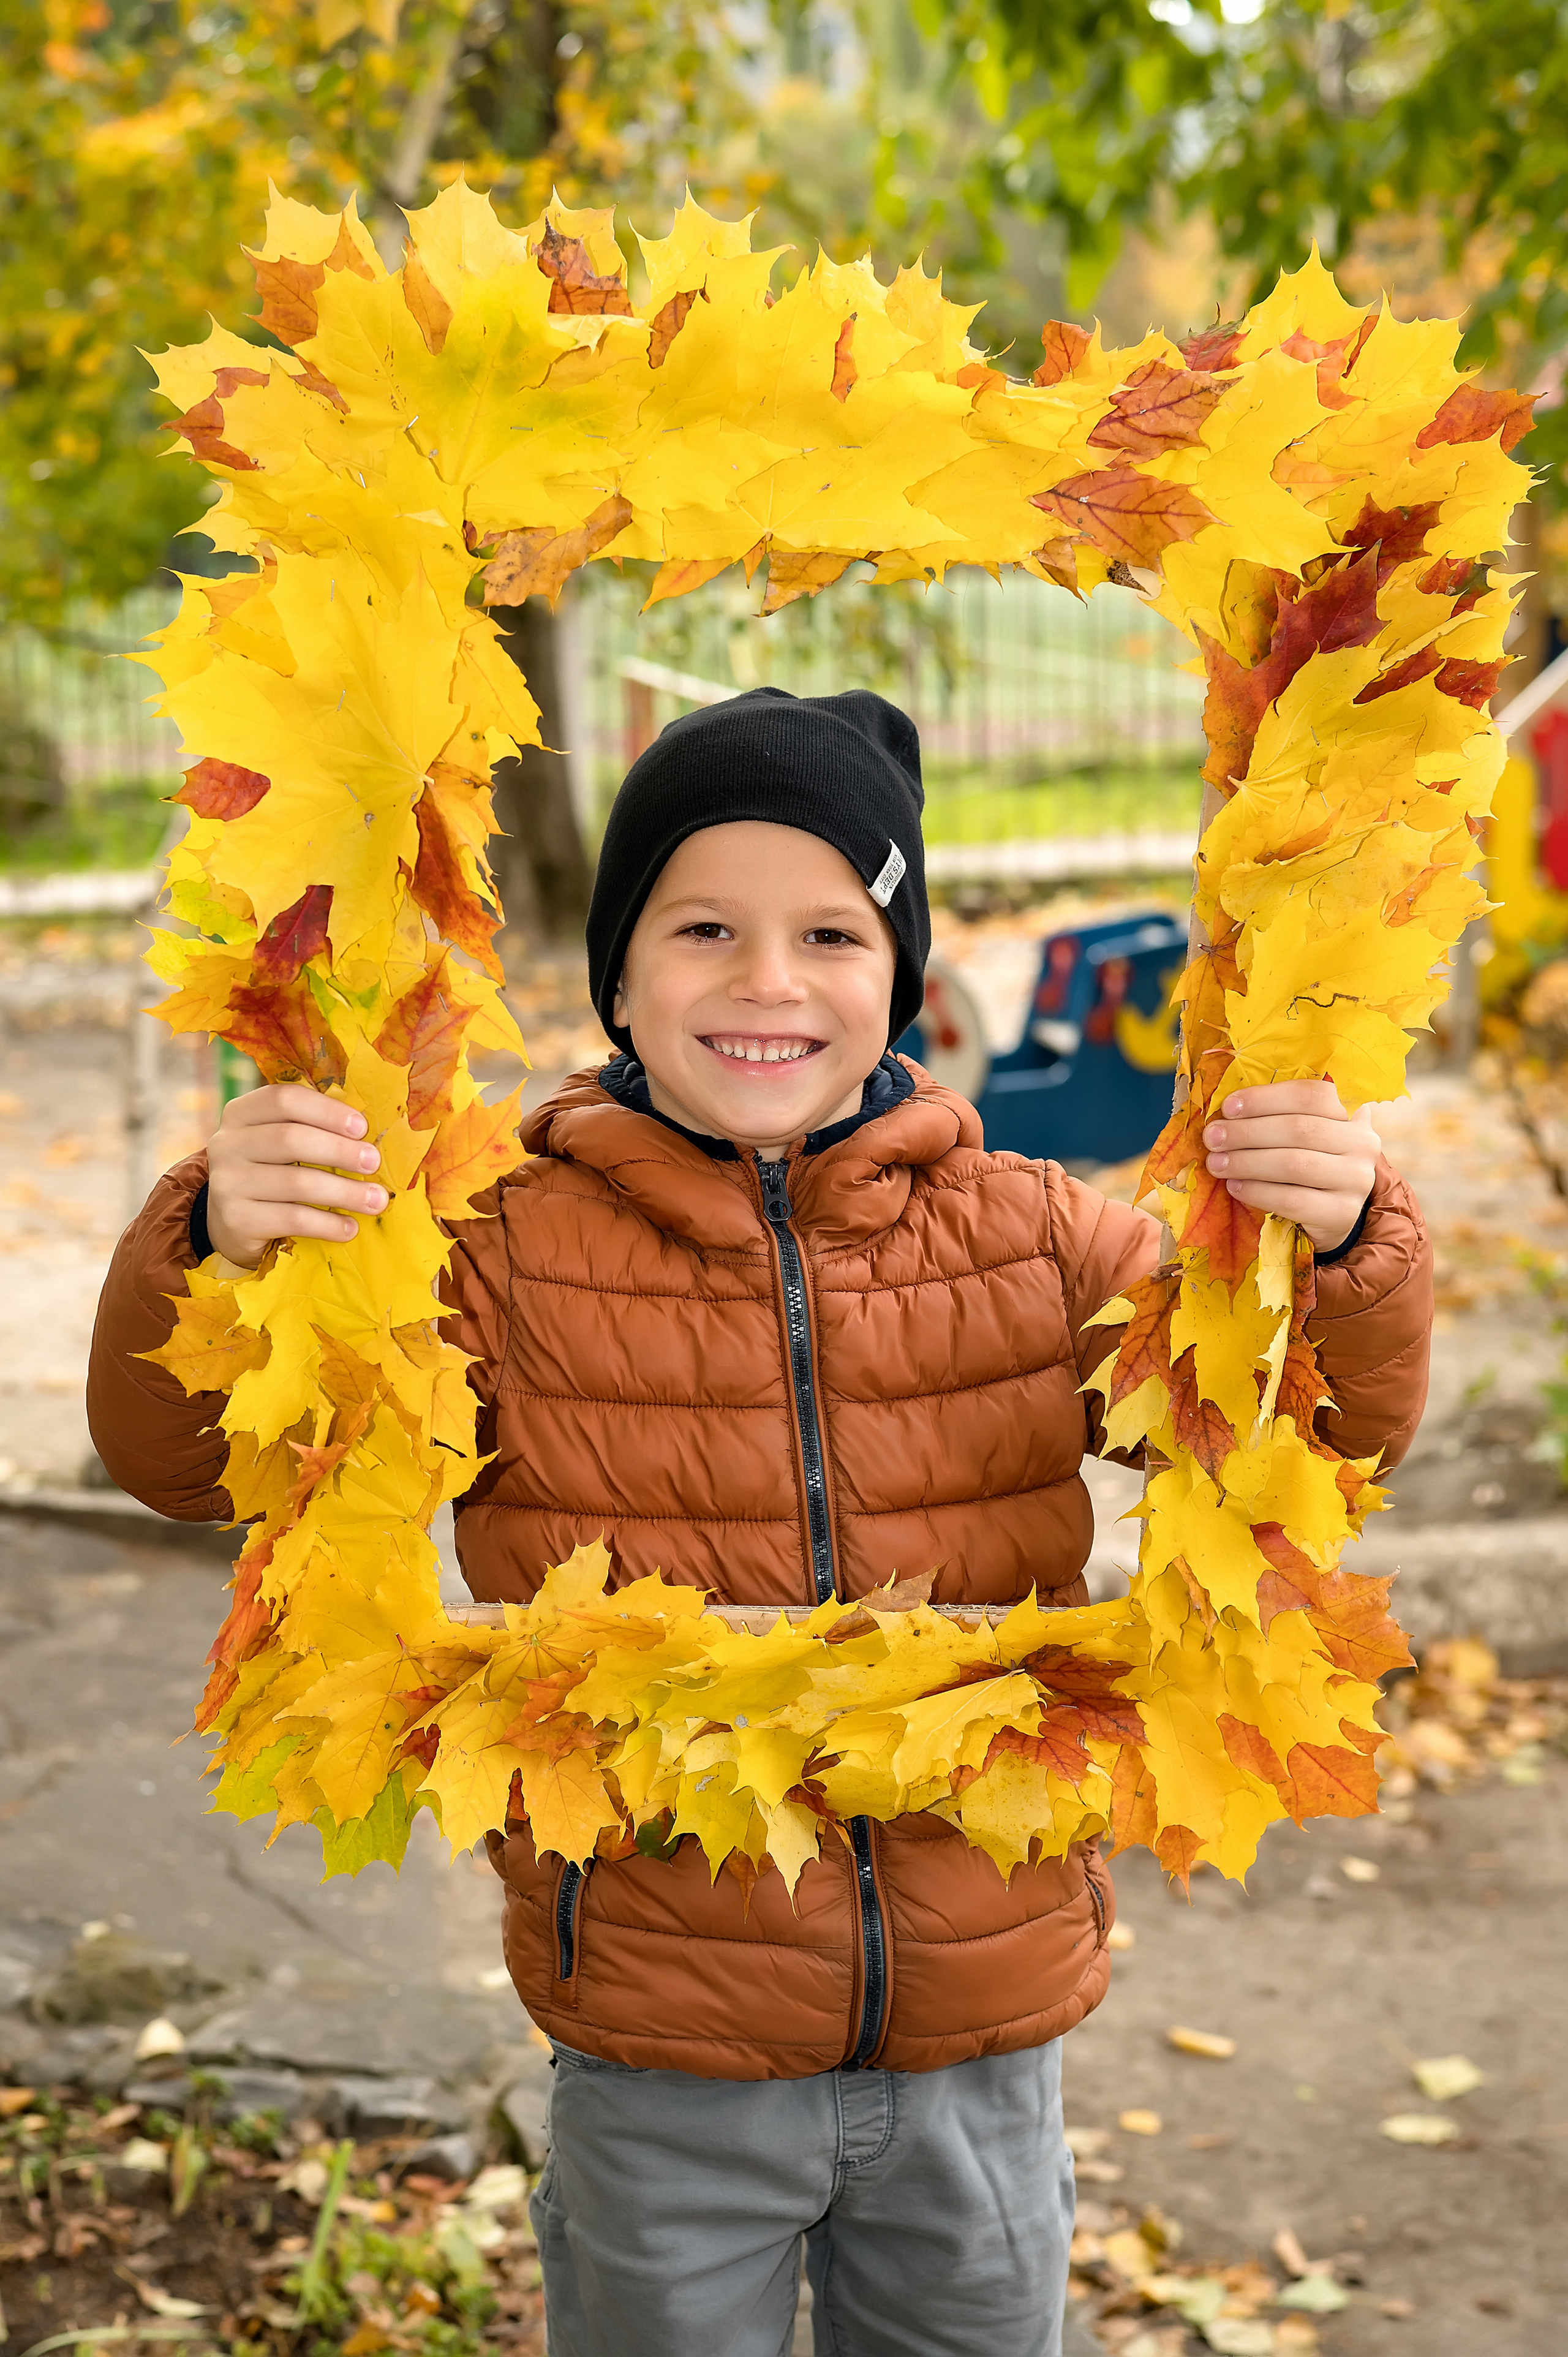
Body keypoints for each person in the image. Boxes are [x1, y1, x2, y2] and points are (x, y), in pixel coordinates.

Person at [87, 687, 1433, 2357]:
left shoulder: (1034, 1240)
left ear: (904, 977)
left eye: (832, 933)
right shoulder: (492, 1255)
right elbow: (196, 1467)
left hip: (980, 2038)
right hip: (662, 2038)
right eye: (704, 927)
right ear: (620, 975)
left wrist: (1355, 1235)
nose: (769, 982)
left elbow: (1317, 1436)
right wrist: (210, 1236)